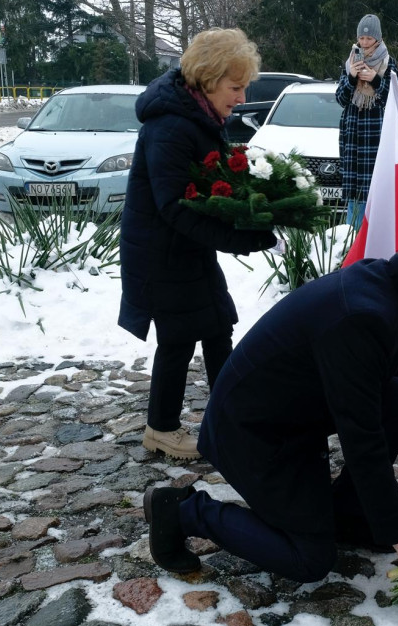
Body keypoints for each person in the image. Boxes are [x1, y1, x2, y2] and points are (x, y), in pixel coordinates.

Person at [143, 220, 398, 592]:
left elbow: (393, 369)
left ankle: (350, 517)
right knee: (310, 558)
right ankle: (181, 510)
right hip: (252, 434)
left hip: (293, 419)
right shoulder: (362, 314)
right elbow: (361, 435)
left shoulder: (387, 289)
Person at [118, 28, 278, 460]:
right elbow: (175, 206)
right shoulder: (171, 125)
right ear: (208, 79)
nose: (242, 97)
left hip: (183, 251)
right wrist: (236, 237)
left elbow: (208, 188)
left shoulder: (197, 117)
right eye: (236, 86)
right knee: (178, 338)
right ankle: (162, 429)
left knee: (215, 326)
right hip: (162, 254)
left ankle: (231, 420)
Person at [337, 14, 398, 230]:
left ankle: (371, 238)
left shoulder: (389, 63)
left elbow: (397, 99)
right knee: (354, 194)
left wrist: (375, 79)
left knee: (375, 191)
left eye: (368, 39)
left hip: (376, 135)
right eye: (360, 38)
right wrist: (351, 78)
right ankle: (351, 241)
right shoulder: (350, 62)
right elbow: (340, 98)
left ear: (378, 39)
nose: (364, 43)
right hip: (352, 136)